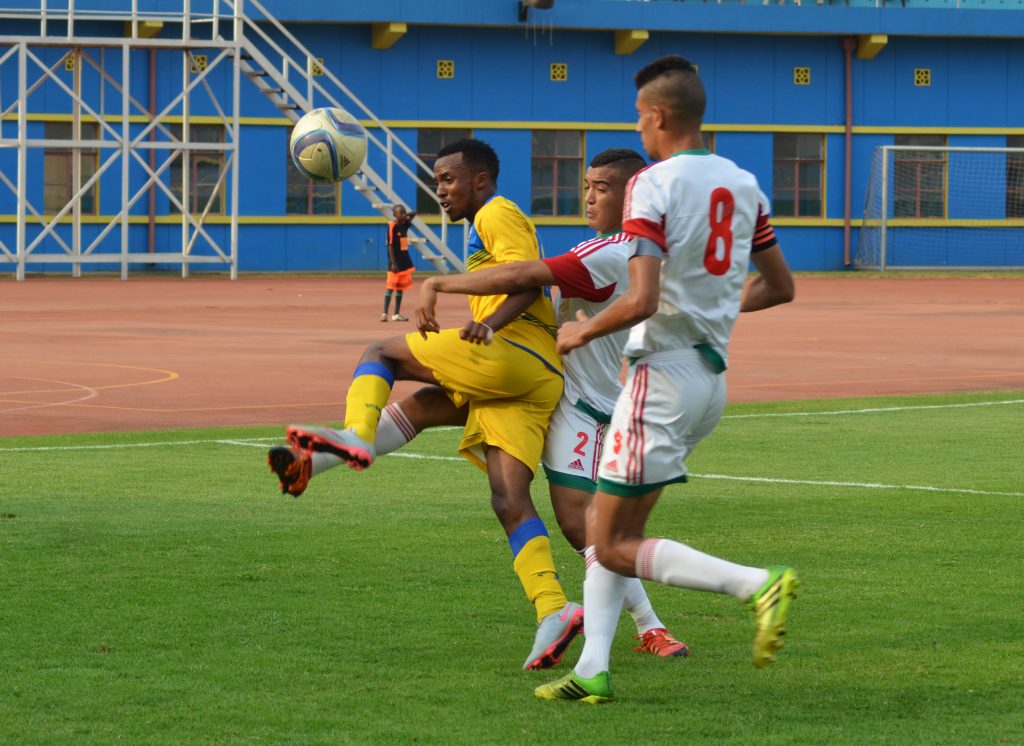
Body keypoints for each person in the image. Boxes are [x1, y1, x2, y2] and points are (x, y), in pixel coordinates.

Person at [535, 55, 798, 704]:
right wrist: (707, 310)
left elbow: (642, 299)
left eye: (638, 116)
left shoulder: (650, 186)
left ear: (656, 116)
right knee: (606, 530)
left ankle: (754, 584)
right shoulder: (741, 184)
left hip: (659, 378)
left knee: (613, 543)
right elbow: (780, 286)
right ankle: (593, 670)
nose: (638, 127)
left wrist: (581, 331)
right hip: (709, 381)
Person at [271, 138, 584, 671]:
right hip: (535, 379)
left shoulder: (497, 213)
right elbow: (523, 282)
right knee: (505, 495)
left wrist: (471, 310)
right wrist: (488, 319)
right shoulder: (486, 219)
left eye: (448, 180)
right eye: (437, 181)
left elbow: (528, 280)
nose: (439, 190)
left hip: (510, 356)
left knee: (380, 353)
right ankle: (554, 610)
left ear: (480, 180)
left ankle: (351, 439)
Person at [415, 147, 691, 658]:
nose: (588, 196)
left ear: (632, 194)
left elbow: (521, 277)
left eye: (601, 187)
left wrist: (440, 283)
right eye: (586, 185)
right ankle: (643, 629)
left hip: (591, 403)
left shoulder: (605, 252)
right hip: (584, 406)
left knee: (583, 525)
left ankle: (629, 627)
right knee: (574, 520)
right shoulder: (643, 253)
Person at [381, 204, 416, 322]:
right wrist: (393, 263)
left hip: (404, 261)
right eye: (400, 212)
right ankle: (384, 313)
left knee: (400, 288)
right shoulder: (393, 226)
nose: (403, 214)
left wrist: (406, 215)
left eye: (404, 212)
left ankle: (396, 314)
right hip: (395, 263)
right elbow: (390, 245)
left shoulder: (404, 225)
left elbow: (414, 214)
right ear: (394, 214)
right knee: (390, 287)